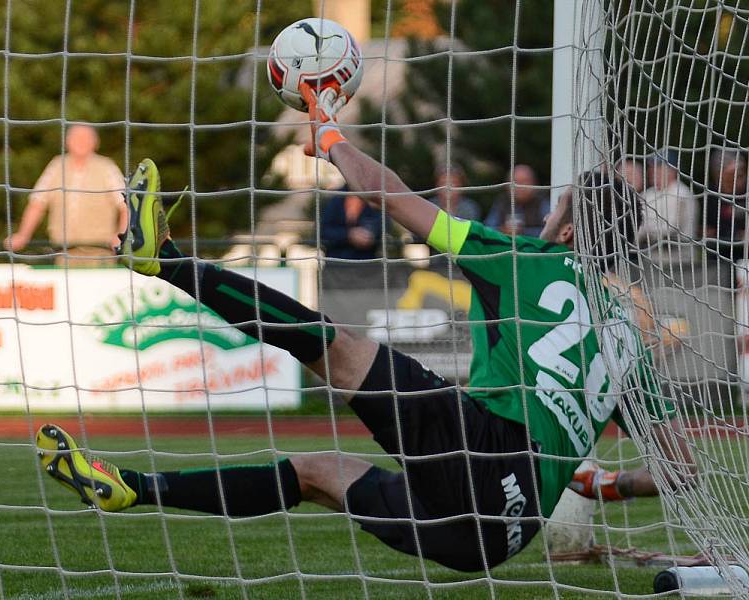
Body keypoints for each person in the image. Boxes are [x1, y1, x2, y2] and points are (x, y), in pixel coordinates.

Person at [36, 85, 694, 573]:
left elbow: (388, 192)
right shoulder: (632, 339)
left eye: (560, 209)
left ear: (572, 228)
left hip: (484, 451)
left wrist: (327, 134)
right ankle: (131, 489)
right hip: (496, 539)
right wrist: (604, 484)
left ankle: (168, 262)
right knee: (316, 472)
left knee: (335, 346)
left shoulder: (520, 260)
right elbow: (683, 469)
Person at [5, 125, 128, 267]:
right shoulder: (56, 166)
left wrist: (120, 236)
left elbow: (125, 206)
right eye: (76, 138)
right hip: (63, 253)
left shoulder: (107, 167)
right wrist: (23, 235)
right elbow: (37, 203)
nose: (81, 142)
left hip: (101, 252)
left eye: (86, 138)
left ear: (96, 142)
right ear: (67, 141)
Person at [637, 149, 696, 245]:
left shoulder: (682, 193)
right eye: (652, 167)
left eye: (659, 167)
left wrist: (644, 232)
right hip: (649, 255)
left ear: (672, 170)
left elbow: (670, 229)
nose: (653, 171)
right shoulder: (647, 194)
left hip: (678, 256)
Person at [704, 148, 747, 268]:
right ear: (719, 174)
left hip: (744, 257)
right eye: (733, 174)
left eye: (741, 174)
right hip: (719, 257)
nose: (739, 179)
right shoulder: (711, 196)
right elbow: (708, 229)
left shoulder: (746, 193)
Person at [320, 186, 386, 260]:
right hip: (336, 263)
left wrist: (370, 234)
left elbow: (383, 226)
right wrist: (348, 235)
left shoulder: (375, 197)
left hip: (367, 263)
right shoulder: (335, 197)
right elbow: (323, 231)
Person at [485, 164, 550, 238]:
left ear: (534, 183)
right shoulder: (502, 202)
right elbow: (488, 228)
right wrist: (502, 230)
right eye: (516, 182)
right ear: (507, 185)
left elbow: (550, 230)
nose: (519, 186)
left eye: (525, 181)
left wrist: (524, 232)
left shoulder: (542, 202)